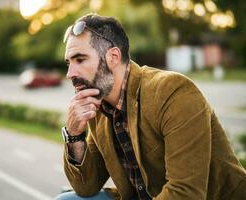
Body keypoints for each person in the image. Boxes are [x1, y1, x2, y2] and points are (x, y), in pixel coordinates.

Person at [56, 13, 246, 200]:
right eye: (68, 63)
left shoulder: (173, 91)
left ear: (113, 57)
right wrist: (74, 135)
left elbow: (185, 193)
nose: (70, 73)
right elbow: (86, 187)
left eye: (79, 60)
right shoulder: (98, 106)